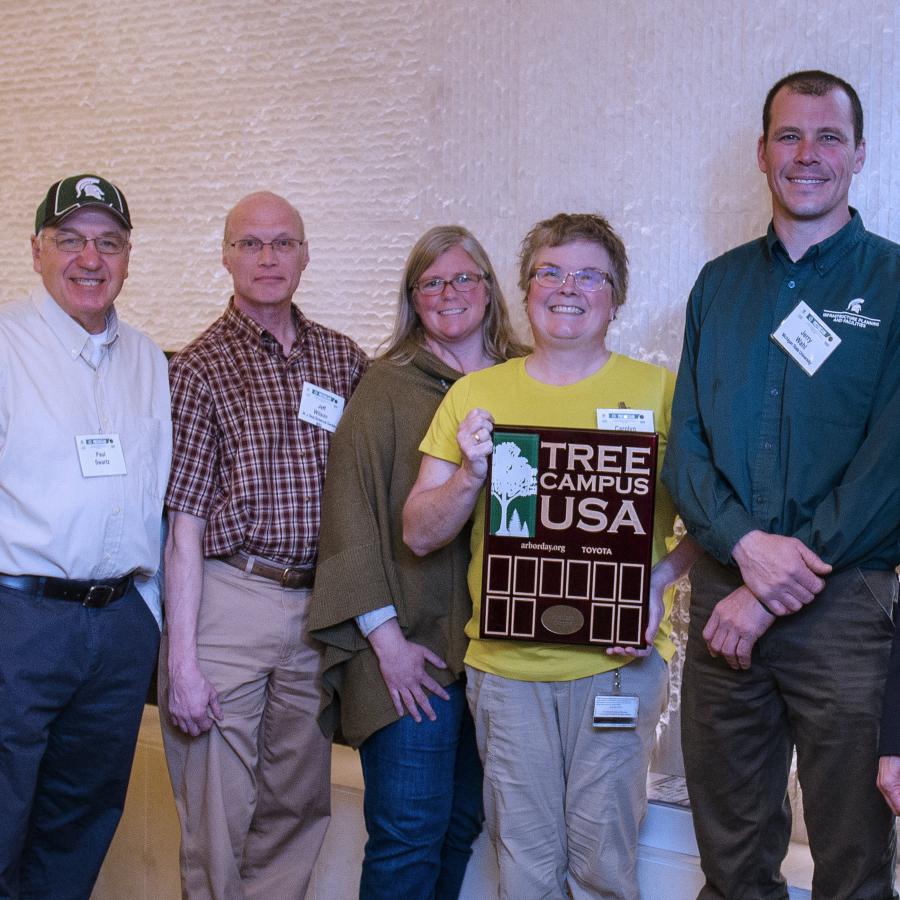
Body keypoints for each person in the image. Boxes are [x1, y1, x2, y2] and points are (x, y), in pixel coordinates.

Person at [403, 213, 700, 899]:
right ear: (526, 288)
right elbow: (419, 531)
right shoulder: (475, 394)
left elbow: (712, 521)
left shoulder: (660, 394)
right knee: (527, 871)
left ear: (616, 297)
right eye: (551, 272)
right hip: (508, 676)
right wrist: (469, 476)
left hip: (619, 670)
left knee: (605, 869)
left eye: (590, 275)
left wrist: (659, 579)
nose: (569, 288)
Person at [662, 70, 900, 899]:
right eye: (790, 136)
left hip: (846, 611)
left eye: (829, 136)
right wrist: (743, 552)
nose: (808, 155)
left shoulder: (896, 285)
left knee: (854, 860)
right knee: (730, 861)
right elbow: (684, 449)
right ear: (762, 153)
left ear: (860, 154)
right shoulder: (718, 286)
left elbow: (892, 463)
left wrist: (771, 587)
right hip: (724, 602)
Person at [158, 191, 368, 899]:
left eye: (283, 243)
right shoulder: (197, 368)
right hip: (230, 600)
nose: (268, 258)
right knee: (218, 812)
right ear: (225, 256)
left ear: (306, 255)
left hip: (316, 609)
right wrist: (180, 661)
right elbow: (182, 524)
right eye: (250, 244)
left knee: (298, 804)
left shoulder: (343, 361)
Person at [309, 226, 528, 898]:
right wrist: (388, 646)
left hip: (496, 656)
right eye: (431, 283)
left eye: (464, 278)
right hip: (410, 655)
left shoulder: (528, 380)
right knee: (407, 839)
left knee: (460, 828)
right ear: (413, 299)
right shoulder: (384, 389)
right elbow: (349, 524)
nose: (450, 293)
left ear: (491, 291)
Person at [0, 174, 171, 899]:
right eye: (70, 240)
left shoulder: (150, 361)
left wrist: (149, 616)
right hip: (21, 620)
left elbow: (157, 496)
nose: (89, 258)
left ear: (128, 257)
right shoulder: (6, 346)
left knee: (82, 820)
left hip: (119, 628)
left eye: (108, 242)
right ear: (36, 250)